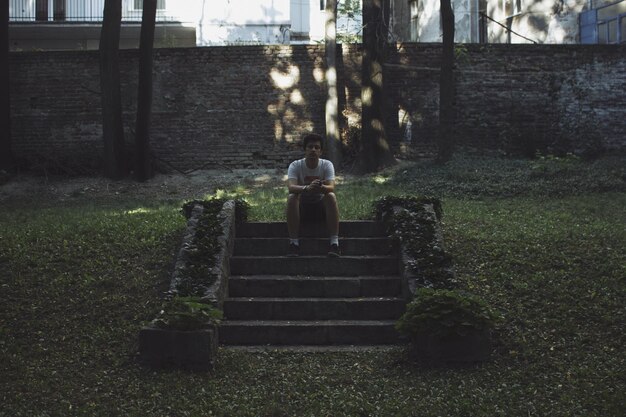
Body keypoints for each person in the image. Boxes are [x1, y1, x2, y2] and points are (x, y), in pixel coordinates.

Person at [286, 133, 340, 257]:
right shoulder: (295, 165)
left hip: (320, 209)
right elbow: (291, 187)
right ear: (305, 149)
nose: (313, 150)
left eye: (316, 147)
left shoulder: (327, 164)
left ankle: (334, 244)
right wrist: (307, 188)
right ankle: (294, 244)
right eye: (310, 147)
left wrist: (320, 187)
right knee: (292, 197)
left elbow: (331, 187)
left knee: (331, 196)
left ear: (321, 151)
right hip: (301, 209)